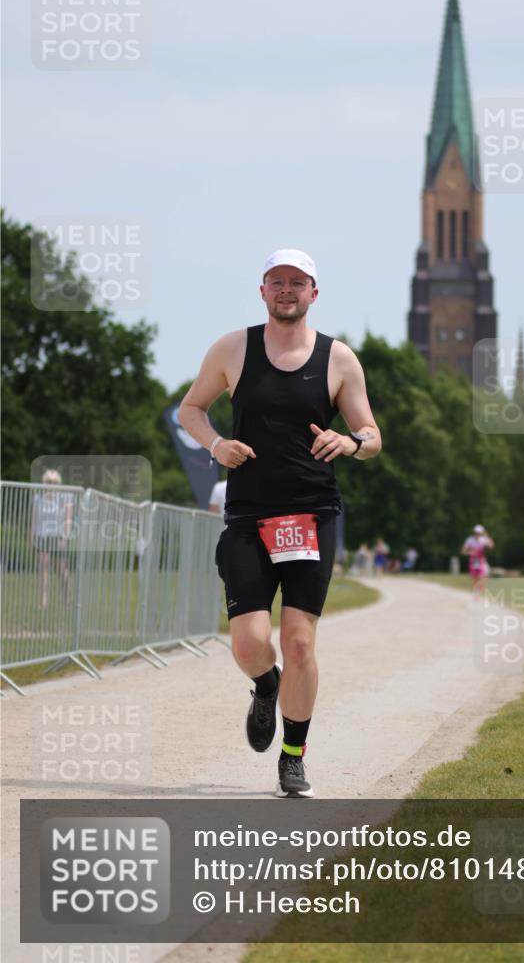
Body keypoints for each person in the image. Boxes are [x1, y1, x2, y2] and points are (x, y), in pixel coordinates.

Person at [177, 248, 381, 797]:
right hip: (247, 514)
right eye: (276, 282)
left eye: (298, 282)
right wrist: (216, 444)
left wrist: (350, 439)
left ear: (315, 293)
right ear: (262, 291)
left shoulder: (339, 359)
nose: (286, 290)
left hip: (311, 514)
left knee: (299, 644)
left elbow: (372, 436)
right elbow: (190, 409)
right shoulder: (232, 348)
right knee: (249, 643)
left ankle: (293, 756)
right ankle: (265, 687)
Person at [31, 470, 73, 609]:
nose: (51, 485)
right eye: (49, 482)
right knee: (43, 567)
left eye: (54, 482)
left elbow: (68, 519)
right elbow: (34, 520)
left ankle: (67, 599)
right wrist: (32, 537)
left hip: (57, 537)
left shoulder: (65, 498)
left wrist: (64, 536)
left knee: (61, 570)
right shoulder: (38, 498)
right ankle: (43, 601)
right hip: (43, 536)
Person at [461, 524, 495, 597]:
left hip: (481, 561)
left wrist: (486, 535)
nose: (477, 534)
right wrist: (470, 552)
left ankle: (480, 593)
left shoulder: (483, 539)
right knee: (475, 578)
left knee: (482, 577)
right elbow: (463, 551)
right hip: (473, 561)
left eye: (479, 533)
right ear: (474, 532)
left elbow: (491, 546)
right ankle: (476, 593)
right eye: (476, 533)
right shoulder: (469, 540)